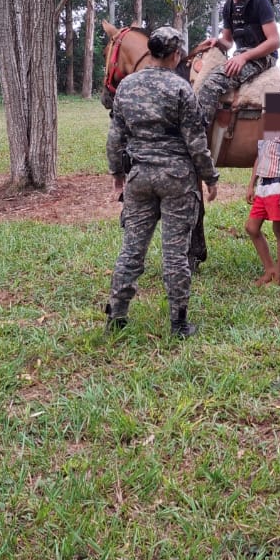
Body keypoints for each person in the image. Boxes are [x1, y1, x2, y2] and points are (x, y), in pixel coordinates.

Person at [105, 26, 219, 340]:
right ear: (175, 55)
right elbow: (197, 144)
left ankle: (116, 316)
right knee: (175, 254)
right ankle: (179, 323)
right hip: (177, 181)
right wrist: (210, 178)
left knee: (131, 250)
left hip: (139, 178)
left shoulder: (127, 86)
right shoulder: (182, 89)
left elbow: (115, 138)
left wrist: (118, 177)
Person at [196, 0, 280, 134]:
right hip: (242, 54)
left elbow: (274, 41)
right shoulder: (228, 6)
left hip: (262, 57)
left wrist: (244, 57)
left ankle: (196, 137)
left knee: (212, 83)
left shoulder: (260, 1)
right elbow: (228, 42)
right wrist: (217, 41)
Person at [245, 119, 280, 286]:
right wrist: (251, 184)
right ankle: (270, 270)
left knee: (278, 228)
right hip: (263, 185)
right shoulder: (267, 129)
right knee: (251, 227)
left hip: (278, 184)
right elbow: (259, 158)